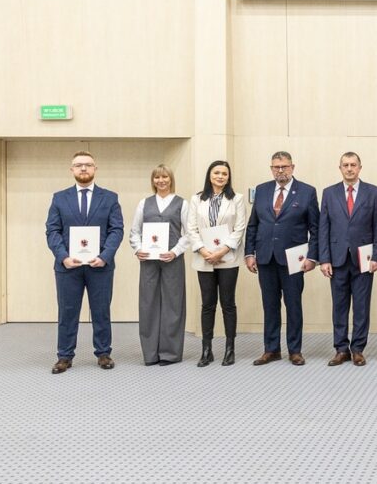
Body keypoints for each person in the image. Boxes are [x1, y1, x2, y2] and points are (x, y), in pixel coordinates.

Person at [44, 151, 125, 374]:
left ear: (95, 169)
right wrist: (63, 257)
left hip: (100, 266)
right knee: (67, 311)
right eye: (78, 165)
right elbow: (52, 231)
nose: (83, 169)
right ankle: (64, 356)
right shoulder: (59, 198)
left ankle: (103, 353)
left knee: (101, 310)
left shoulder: (110, 198)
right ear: (71, 170)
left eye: (88, 165)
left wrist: (105, 256)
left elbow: (116, 230)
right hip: (68, 266)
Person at [245, 151, 319, 366]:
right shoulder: (262, 190)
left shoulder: (307, 192)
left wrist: (312, 257)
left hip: (294, 259)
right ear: (271, 169)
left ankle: (295, 350)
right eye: (276, 167)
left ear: (292, 167)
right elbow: (253, 225)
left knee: (293, 305)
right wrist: (250, 253)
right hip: (266, 257)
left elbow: (315, 228)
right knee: (269, 305)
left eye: (284, 166)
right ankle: (271, 349)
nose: (280, 170)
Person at [319, 152, 377, 367]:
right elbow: (324, 229)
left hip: (363, 260)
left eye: (353, 165)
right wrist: (324, 259)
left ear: (360, 167)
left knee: (361, 306)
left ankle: (357, 349)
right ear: (340, 168)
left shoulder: (373, 192)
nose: (349, 168)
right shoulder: (329, 193)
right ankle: (340, 349)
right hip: (337, 259)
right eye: (345, 165)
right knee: (339, 306)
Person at [187, 160, 247, 366]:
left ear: (228, 177)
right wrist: (204, 252)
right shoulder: (196, 199)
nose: (220, 176)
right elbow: (191, 228)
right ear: (209, 175)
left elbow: (239, 229)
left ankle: (230, 349)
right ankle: (207, 350)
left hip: (228, 257)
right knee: (208, 304)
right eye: (216, 173)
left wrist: (222, 250)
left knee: (228, 304)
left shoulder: (237, 199)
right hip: (204, 258)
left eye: (224, 173)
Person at [128, 165, 188, 366]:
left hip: (172, 260)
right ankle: (150, 353)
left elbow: (188, 234)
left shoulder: (182, 204)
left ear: (171, 179)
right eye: (157, 177)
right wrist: (138, 249)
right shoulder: (144, 204)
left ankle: (170, 353)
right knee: (148, 305)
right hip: (149, 262)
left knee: (174, 305)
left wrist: (175, 252)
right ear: (153, 181)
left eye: (165, 177)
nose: (161, 180)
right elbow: (134, 231)